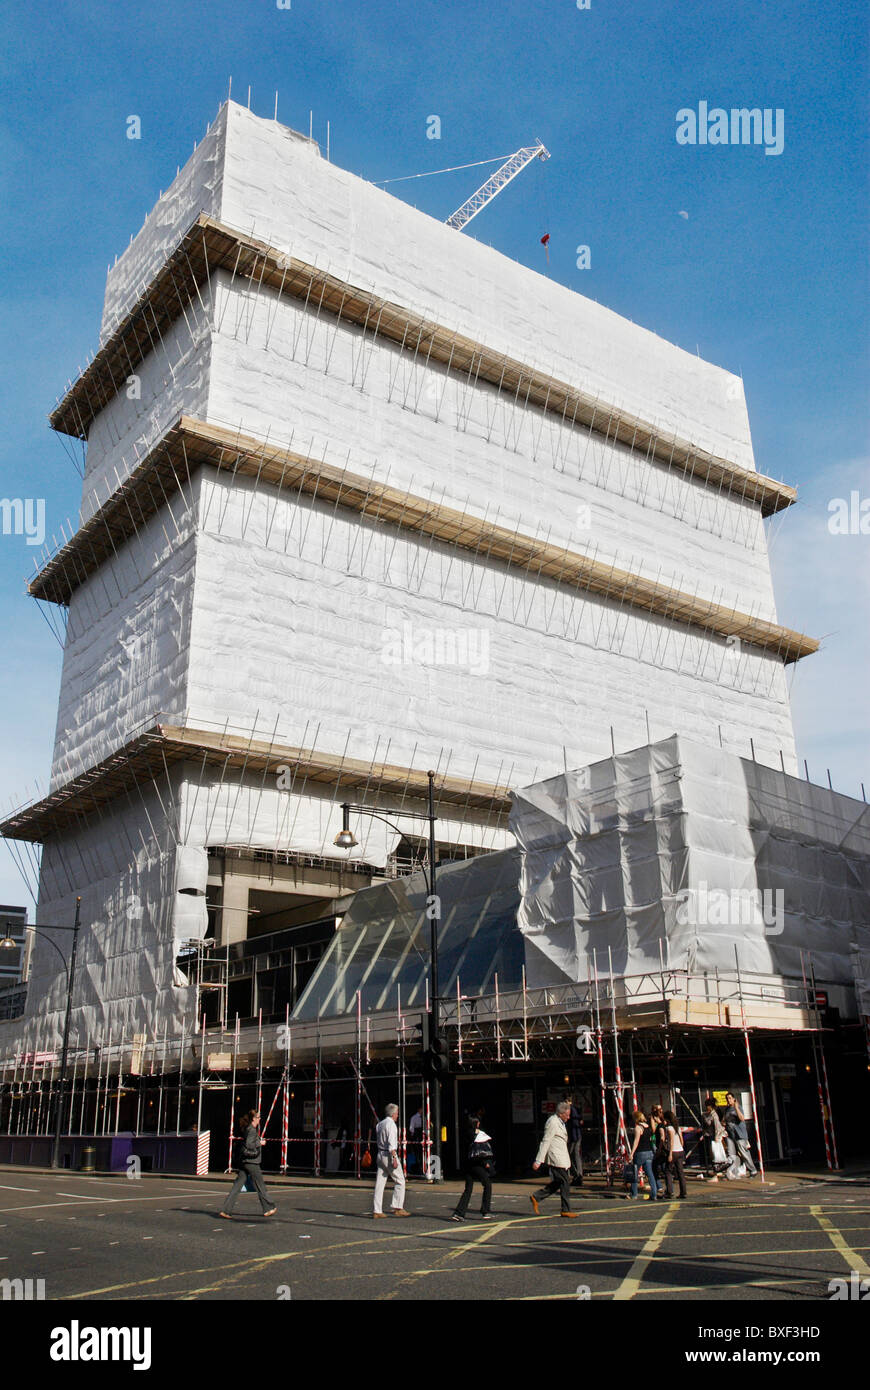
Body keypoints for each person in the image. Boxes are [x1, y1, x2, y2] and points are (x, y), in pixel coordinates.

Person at [219, 1109, 277, 1218]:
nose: (260, 1119)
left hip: (244, 1161)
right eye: (258, 1117)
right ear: (254, 1119)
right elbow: (249, 1144)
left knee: (237, 1186)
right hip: (252, 1162)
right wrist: (260, 1143)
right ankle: (268, 1208)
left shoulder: (248, 1129)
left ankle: (226, 1210)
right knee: (260, 1185)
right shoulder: (252, 1130)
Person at [530, 1101, 578, 1218]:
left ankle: (536, 1197)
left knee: (558, 1182)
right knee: (564, 1182)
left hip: (561, 1157)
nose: (569, 1117)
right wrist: (538, 1160)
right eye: (567, 1114)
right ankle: (565, 1209)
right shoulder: (552, 1122)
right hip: (556, 1157)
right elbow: (546, 1141)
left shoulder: (561, 1122)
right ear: (561, 1113)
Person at [452, 1114, 495, 1221]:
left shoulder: (466, 1133)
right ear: (476, 1123)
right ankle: (485, 1211)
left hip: (467, 1164)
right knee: (487, 1184)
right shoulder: (477, 1135)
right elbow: (480, 1151)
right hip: (476, 1164)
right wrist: (485, 1163)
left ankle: (459, 1213)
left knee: (468, 1189)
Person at [373, 1102, 409, 1217]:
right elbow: (392, 1144)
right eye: (397, 1113)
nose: (398, 1115)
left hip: (380, 1153)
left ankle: (377, 1210)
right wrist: (394, 1158)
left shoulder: (380, 1124)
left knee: (380, 1183)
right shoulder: (391, 1125)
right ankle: (397, 1207)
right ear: (393, 1113)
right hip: (388, 1155)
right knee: (400, 1180)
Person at [723, 1091, 758, 1177]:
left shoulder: (738, 1107)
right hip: (730, 1135)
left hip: (739, 1134)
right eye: (727, 1099)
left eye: (730, 1098)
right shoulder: (727, 1109)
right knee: (731, 1154)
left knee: (744, 1153)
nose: (728, 1100)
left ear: (734, 1099)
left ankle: (753, 1170)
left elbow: (742, 1118)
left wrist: (736, 1108)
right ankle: (733, 1172)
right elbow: (723, 1120)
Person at [627, 1109, 659, 1201]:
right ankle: (654, 1194)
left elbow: (636, 1142)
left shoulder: (638, 1128)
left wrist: (631, 1153)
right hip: (649, 1152)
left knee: (635, 1174)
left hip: (640, 1153)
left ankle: (634, 1194)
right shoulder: (647, 1126)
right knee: (650, 1174)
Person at [662, 1109, 687, 1199]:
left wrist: (670, 1154)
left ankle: (669, 1191)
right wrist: (682, 1148)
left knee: (668, 1171)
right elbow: (681, 1139)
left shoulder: (669, 1128)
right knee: (680, 1172)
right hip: (680, 1150)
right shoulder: (677, 1127)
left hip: (674, 1151)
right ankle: (683, 1192)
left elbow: (671, 1141)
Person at [701, 1098, 728, 1180]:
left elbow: (717, 1127)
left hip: (715, 1137)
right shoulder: (709, 1114)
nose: (706, 1107)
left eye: (707, 1106)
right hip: (711, 1136)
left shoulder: (714, 1115)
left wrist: (717, 1137)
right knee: (714, 1154)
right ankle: (718, 1172)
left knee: (716, 1155)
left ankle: (717, 1172)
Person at [564, 1093, 583, 1186]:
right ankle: (579, 1174)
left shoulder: (571, 1110)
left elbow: (574, 1123)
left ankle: (576, 1175)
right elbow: (579, 1121)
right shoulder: (576, 1109)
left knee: (569, 1156)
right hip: (577, 1135)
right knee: (576, 1156)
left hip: (573, 1136)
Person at [407, 1105, 423, 1170]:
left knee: (422, 1151)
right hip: (417, 1135)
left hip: (422, 1135)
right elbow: (411, 1128)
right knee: (417, 1152)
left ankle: (422, 1165)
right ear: (419, 1109)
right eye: (421, 1109)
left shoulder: (424, 1117)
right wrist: (414, 1136)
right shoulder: (414, 1117)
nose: (422, 1110)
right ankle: (417, 1166)